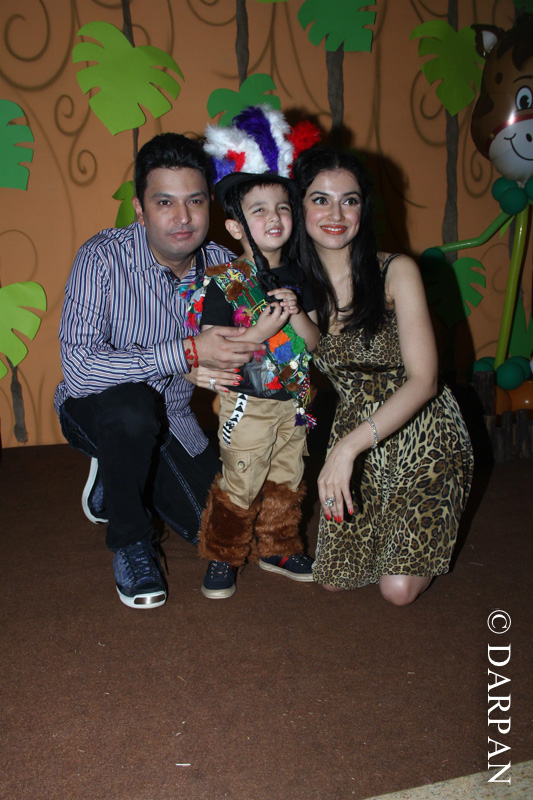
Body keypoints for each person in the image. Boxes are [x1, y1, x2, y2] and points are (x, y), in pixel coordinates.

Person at [54, 131, 266, 610]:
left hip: (173, 419)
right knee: (130, 408)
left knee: (225, 534)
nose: (183, 217)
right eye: (164, 202)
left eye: (195, 201)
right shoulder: (101, 258)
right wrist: (187, 353)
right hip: (97, 407)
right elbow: (80, 370)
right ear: (140, 208)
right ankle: (130, 542)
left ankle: (117, 478)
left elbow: (257, 361)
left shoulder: (224, 268)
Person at [291, 145, 474, 606]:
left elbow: (424, 381)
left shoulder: (397, 271)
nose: (336, 214)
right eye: (320, 199)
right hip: (356, 432)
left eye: (349, 200)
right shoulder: (301, 288)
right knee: (335, 579)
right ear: (300, 207)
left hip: (424, 432)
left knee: (397, 590)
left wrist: (345, 449)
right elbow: (305, 349)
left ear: (363, 209)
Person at [192, 104, 321, 599]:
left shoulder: (301, 277)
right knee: (241, 480)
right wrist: (259, 332)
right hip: (246, 404)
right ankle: (222, 553)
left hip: (296, 403)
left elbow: (316, 344)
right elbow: (215, 351)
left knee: (288, 477)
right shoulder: (224, 281)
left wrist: (297, 315)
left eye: (283, 208)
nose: (274, 218)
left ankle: (279, 546)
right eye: (259, 210)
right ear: (236, 227)